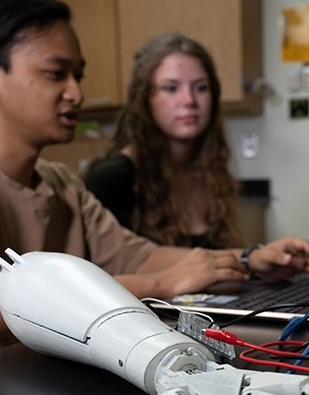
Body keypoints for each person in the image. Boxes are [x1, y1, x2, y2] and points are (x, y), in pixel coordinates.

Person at [0, 0, 309, 393]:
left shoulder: (59, 183)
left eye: (78, 75)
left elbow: (140, 256)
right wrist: (164, 285)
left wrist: (248, 259)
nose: (77, 93)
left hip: (42, 391)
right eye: (56, 74)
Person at [84, 32, 241, 249]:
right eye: (171, 88)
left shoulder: (212, 172)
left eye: (200, 88)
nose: (189, 100)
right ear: (144, 99)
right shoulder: (114, 176)